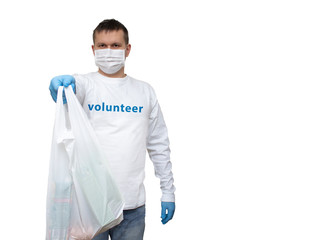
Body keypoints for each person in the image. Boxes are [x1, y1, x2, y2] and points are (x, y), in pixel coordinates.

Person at [49, 19, 176, 240]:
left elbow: (158, 144)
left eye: (116, 45)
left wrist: (168, 192)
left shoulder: (145, 92)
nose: (109, 51)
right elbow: (69, 92)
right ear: (93, 49)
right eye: (102, 45)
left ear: (128, 50)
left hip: (133, 207)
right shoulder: (84, 85)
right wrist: (57, 88)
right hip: (88, 207)